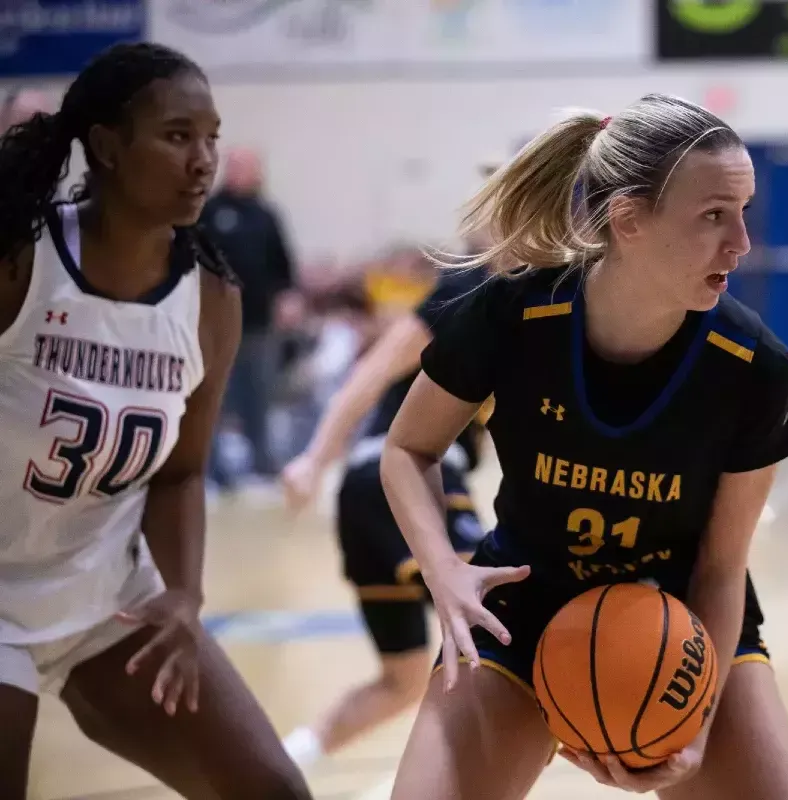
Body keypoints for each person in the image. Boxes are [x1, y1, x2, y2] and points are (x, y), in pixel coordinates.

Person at [379, 93, 788, 799]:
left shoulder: (752, 366)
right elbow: (408, 449)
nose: (742, 242)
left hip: (682, 615)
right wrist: (444, 570)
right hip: (523, 605)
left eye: (744, 211)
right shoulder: (515, 312)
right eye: (714, 215)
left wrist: (697, 724)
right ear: (629, 219)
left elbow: (720, 567)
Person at [0, 43, 310, 799]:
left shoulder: (211, 299)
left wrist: (185, 594)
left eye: (211, 137)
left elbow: (181, 471)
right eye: (177, 136)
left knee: (274, 791)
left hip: (104, 596)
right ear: (107, 146)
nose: (203, 160)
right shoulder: (21, 261)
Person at [276, 166, 502, 766]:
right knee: (502, 628)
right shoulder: (466, 290)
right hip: (406, 480)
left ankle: (279, 764)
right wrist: (312, 459)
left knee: (401, 679)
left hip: (364, 495)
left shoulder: (527, 302)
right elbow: (371, 373)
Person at [201, 146, 299, 490]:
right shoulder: (209, 211)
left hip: (258, 323)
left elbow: (283, 264)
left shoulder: (266, 215)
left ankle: (261, 467)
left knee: (259, 396)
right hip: (214, 323)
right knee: (213, 397)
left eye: (248, 166)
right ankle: (211, 471)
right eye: (236, 165)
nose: (241, 172)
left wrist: (288, 298)